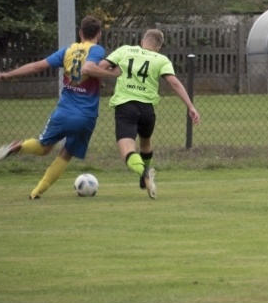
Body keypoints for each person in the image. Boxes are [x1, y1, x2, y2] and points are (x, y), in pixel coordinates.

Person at [0, 16, 114, 199]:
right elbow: (88, 68)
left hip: (63, 112)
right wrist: (112, 74)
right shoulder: (97, 50)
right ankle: (37, 190)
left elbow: (37, 66)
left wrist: (8, 74)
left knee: (43, 147)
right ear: (99, 35)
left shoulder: (67, 51)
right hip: (85, 116)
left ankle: (20, 147)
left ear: (80, 33)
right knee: (66, 153)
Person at [81, 29, 201, 199]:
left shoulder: (125, 50)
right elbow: (174, 82)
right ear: (158, 47)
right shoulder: (161, 59)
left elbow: (100, 67)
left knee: (127, 151)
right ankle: (144, 179)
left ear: (142, 41)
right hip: (147, 110)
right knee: (145, 145)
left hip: (125, 107)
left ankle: (144, 171)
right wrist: (190, 106)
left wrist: (111, 72)